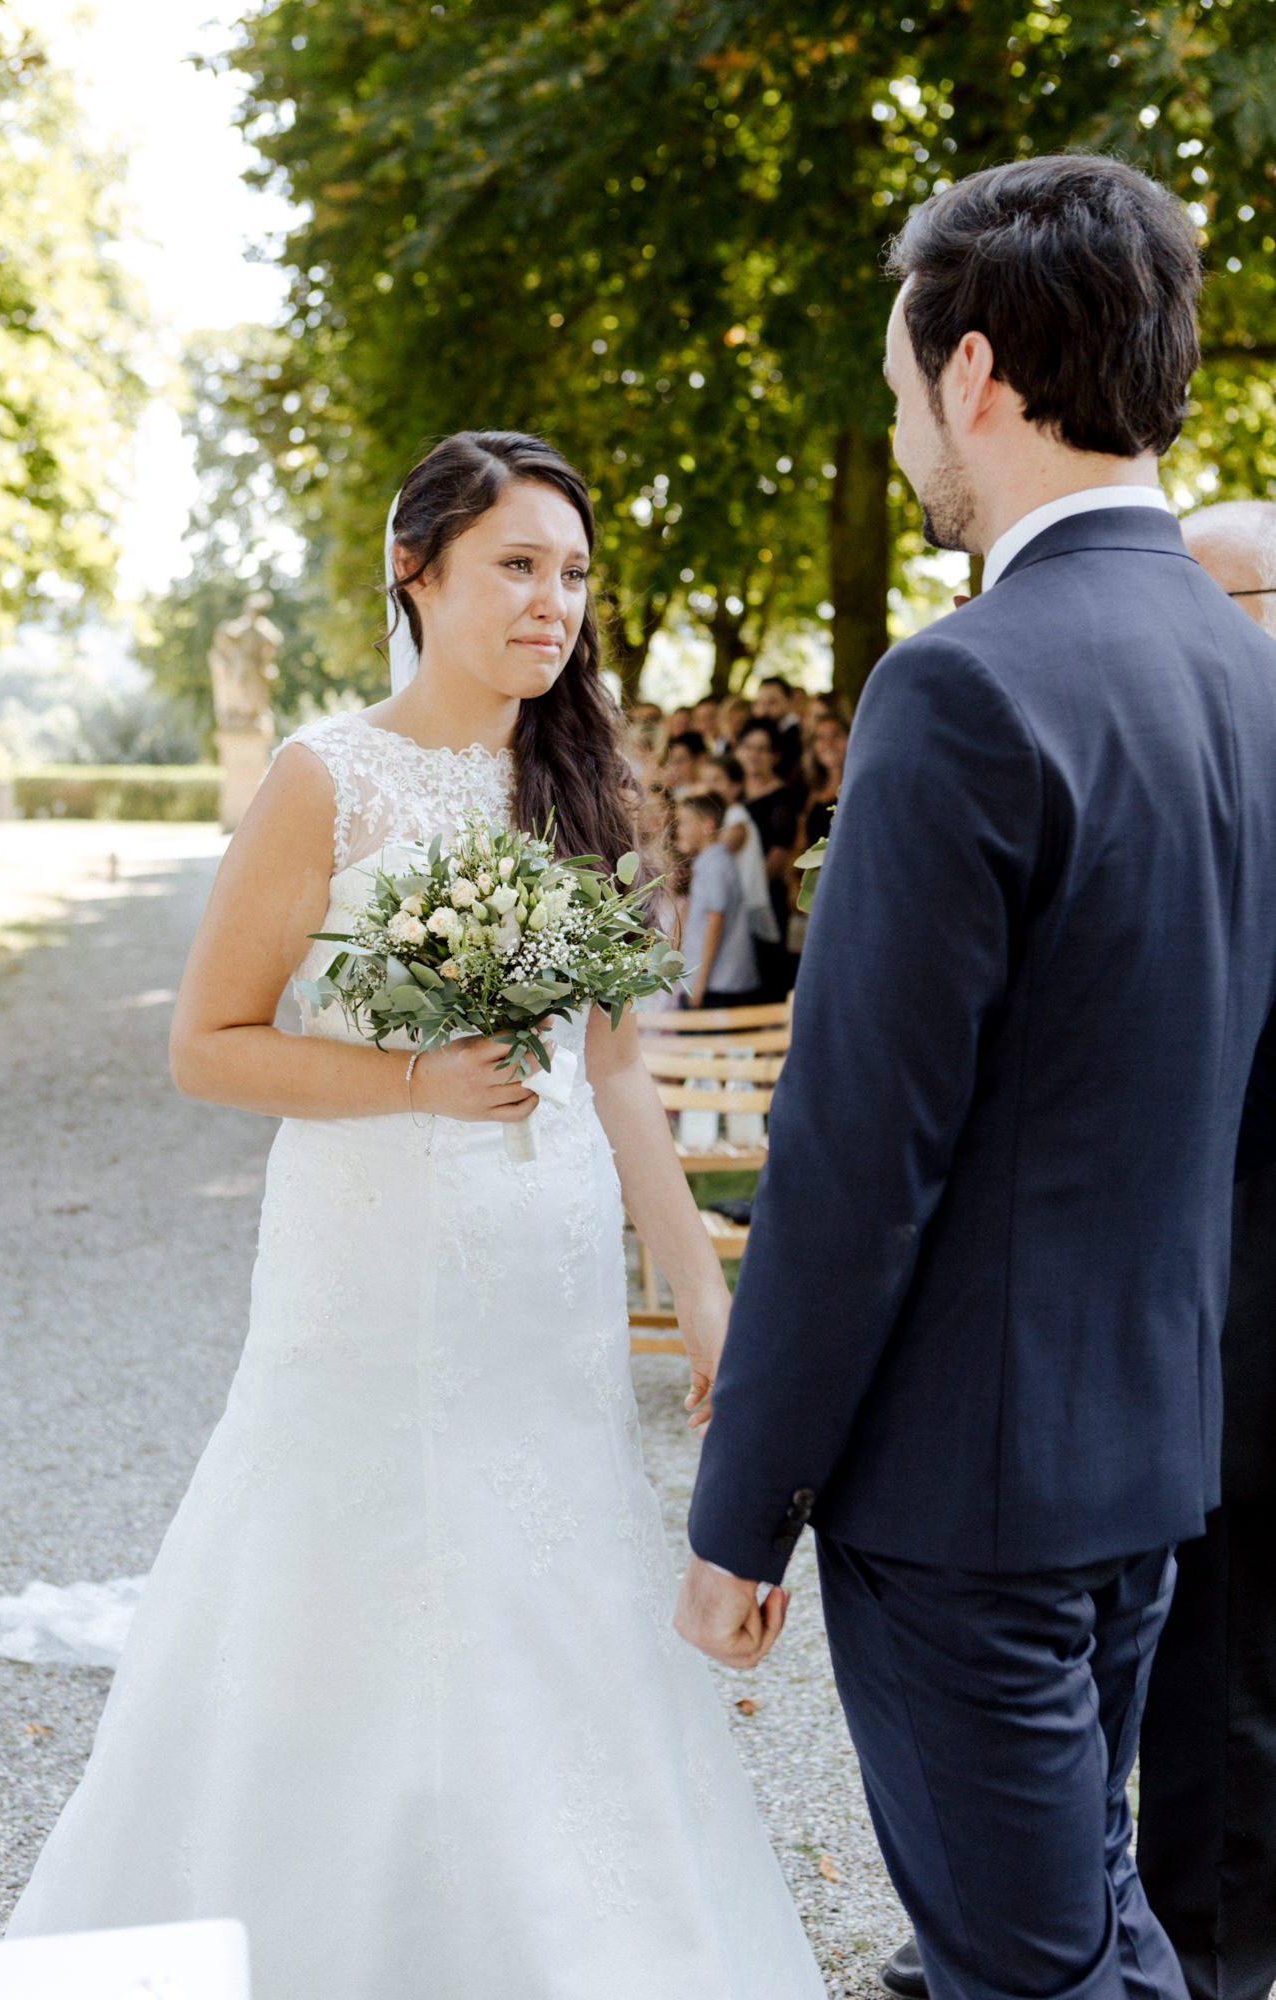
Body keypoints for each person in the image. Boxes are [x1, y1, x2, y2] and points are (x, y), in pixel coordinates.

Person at [5, 431, 826, 2000]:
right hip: (369, 1264)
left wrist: (702, 1287)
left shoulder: (582, 776)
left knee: (558, 1565)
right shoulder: (325, 777)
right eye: (517, 566)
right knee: (349, 1568)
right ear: (417, 571)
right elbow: (205, 1045)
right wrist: (407, 1085)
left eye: (572, 573)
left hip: (551, 1266)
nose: (552, 603)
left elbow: (614, 1070)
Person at [674, 153, 1276, 2000]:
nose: (900, 421)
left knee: (1033, 1972)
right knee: (1085, 1938)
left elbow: (854, 1156)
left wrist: (737, 1510)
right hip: (1147, 1468)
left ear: (978, 375)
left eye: (893, 380)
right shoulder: (1241, 674)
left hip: (966, 1503)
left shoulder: (962, 685)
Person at [1135, 500, 1276, 2000]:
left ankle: (1217, 1952)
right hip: (1145, 1281)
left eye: (1211, 593)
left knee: (1229, 1644)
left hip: (1251, 1280)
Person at [675, 791, 761, 1010]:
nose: (679, 830)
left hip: (717, 983)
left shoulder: (715, 866)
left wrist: (699, 981)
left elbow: (715, 923)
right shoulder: (708, 863)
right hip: (712, 981)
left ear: (707, 825)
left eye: (685, 822)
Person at [734, 717, 800, 1000]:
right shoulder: (732, 792)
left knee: (765, 980)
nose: (754, 755)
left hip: (765, 902)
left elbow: (776, 863)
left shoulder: (782, 799)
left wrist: (736, 890)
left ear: (775, 756)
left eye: (762, 749)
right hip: (731, 903)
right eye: (748, 746)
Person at [697, 753, 781, 951]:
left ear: (735, 787)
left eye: (716, 780)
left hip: (743, 914)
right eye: (705, 780)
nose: (709, 787)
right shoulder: (723, 818)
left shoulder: (737, 819)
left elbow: (715, 853)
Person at [799, 713, 848, 850]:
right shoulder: (813, 795)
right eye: (820, 738)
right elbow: (800, 847)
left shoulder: (859, 790)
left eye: (836, 735)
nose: (828, 743)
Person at [751, 675, 803, 778]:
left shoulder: (798, 736)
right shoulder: (760, 730)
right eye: (760, 703)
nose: (764, 710)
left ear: (789, 702)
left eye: (772, 702)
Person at [662, 728, 707, 795]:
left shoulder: (707, 792)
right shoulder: (674, 792)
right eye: (670, 762)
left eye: (680, 761)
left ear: (699, 759)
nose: (674, 768)